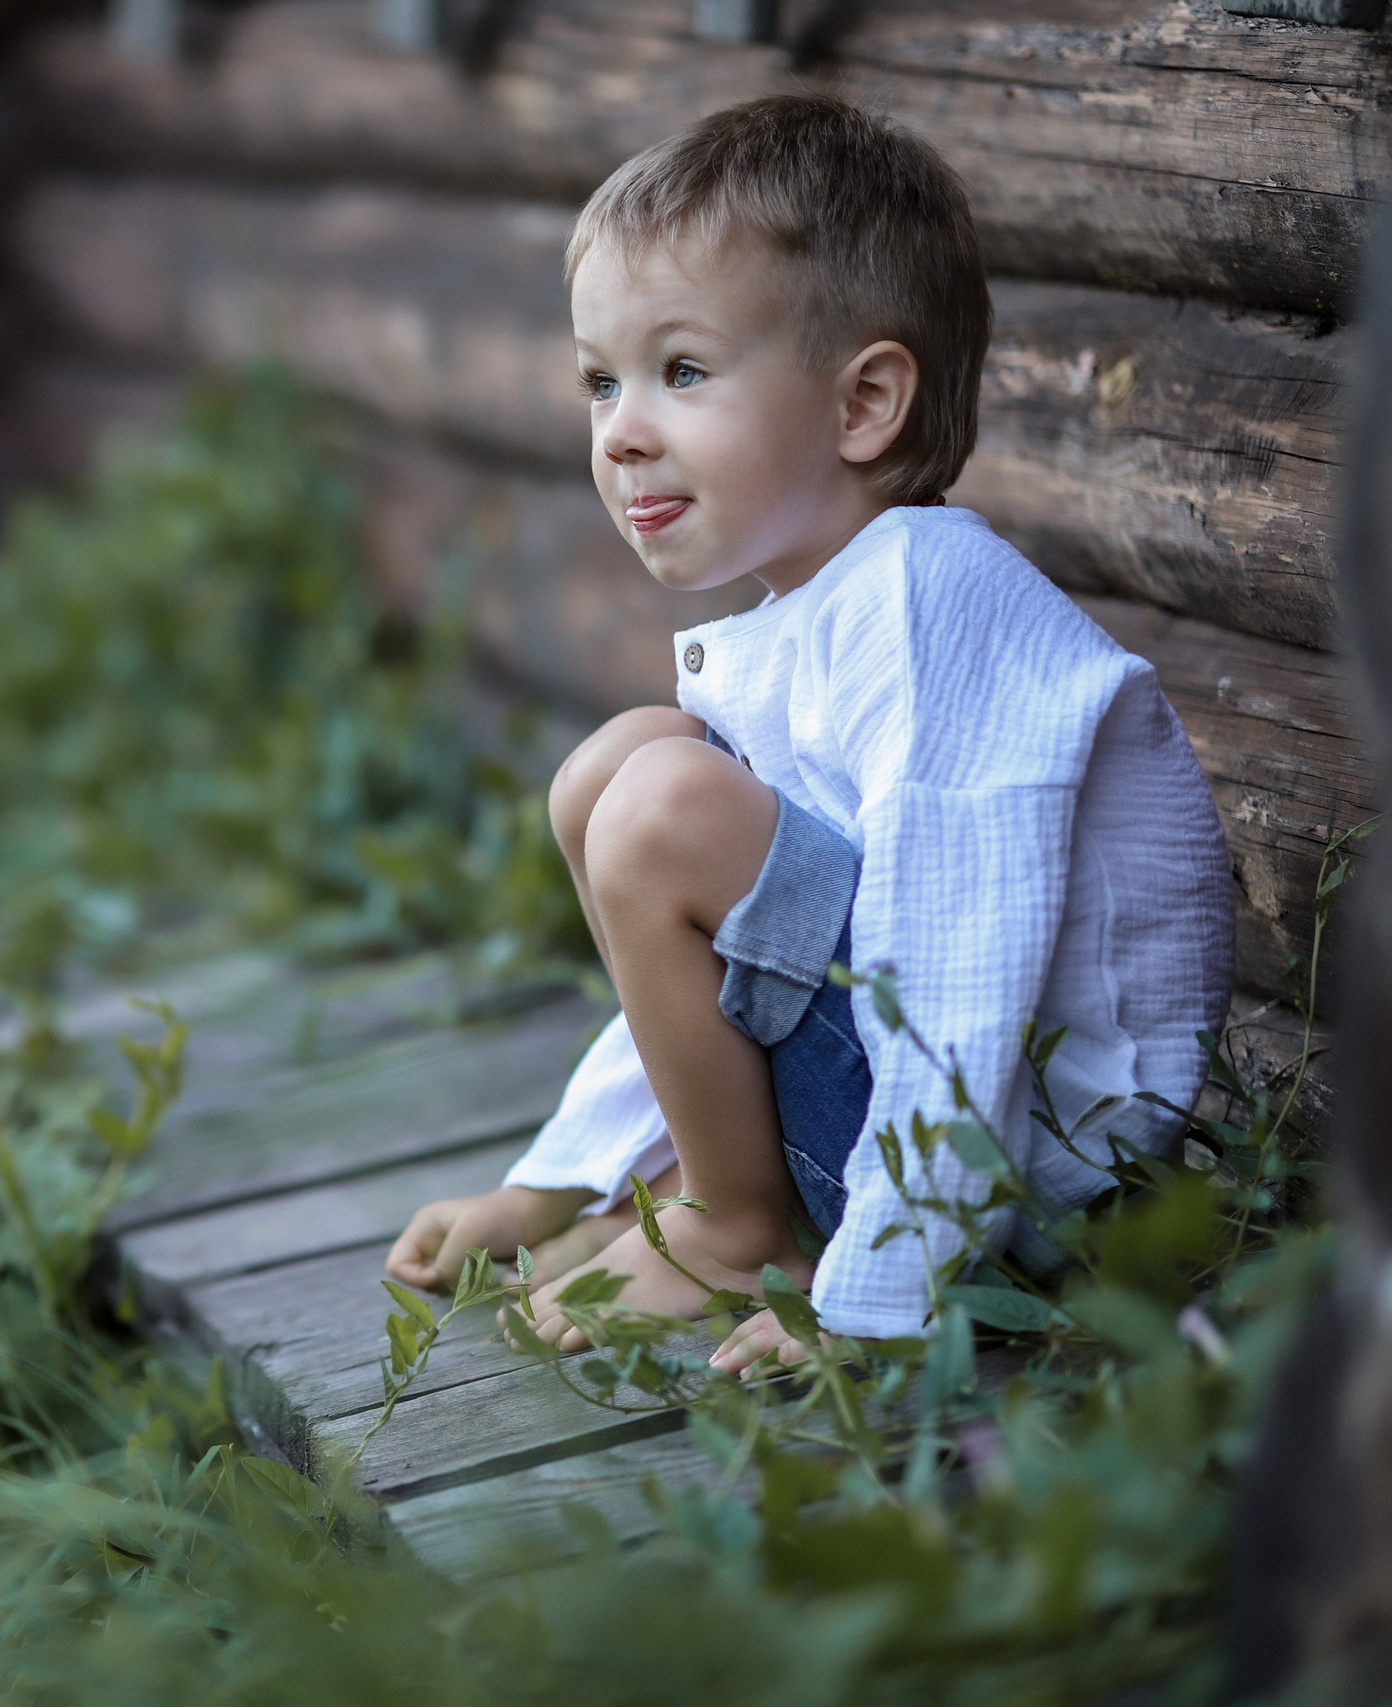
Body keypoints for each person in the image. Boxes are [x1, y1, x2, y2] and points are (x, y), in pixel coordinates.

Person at [382, 94, 1234, 1375]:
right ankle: (673, 1198)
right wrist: (557, 1178)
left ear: (862, 405)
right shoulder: (819, 610)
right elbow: (733, 972)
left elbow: (960, 967)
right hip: (901, 1106)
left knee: (663, 806)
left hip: (1030, 1181)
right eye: (599, 381)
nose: (618, 430)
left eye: (680, 371)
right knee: (618, 771)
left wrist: (888, 1290)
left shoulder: (928, 599)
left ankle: (744, 1231)